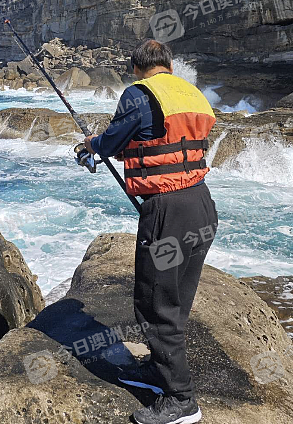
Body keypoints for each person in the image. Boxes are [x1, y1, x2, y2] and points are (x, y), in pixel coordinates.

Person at [84, 39, 217, 424]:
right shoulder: (190, 93)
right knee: (176, 300)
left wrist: (91, 145)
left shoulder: (139, 94)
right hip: (201, 205)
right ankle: (161, 371)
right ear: (169, 65)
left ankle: (181, 401)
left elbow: (112, 141)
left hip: (168, 213)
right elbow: (164, 143)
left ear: (137, 68)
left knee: (155, 303)